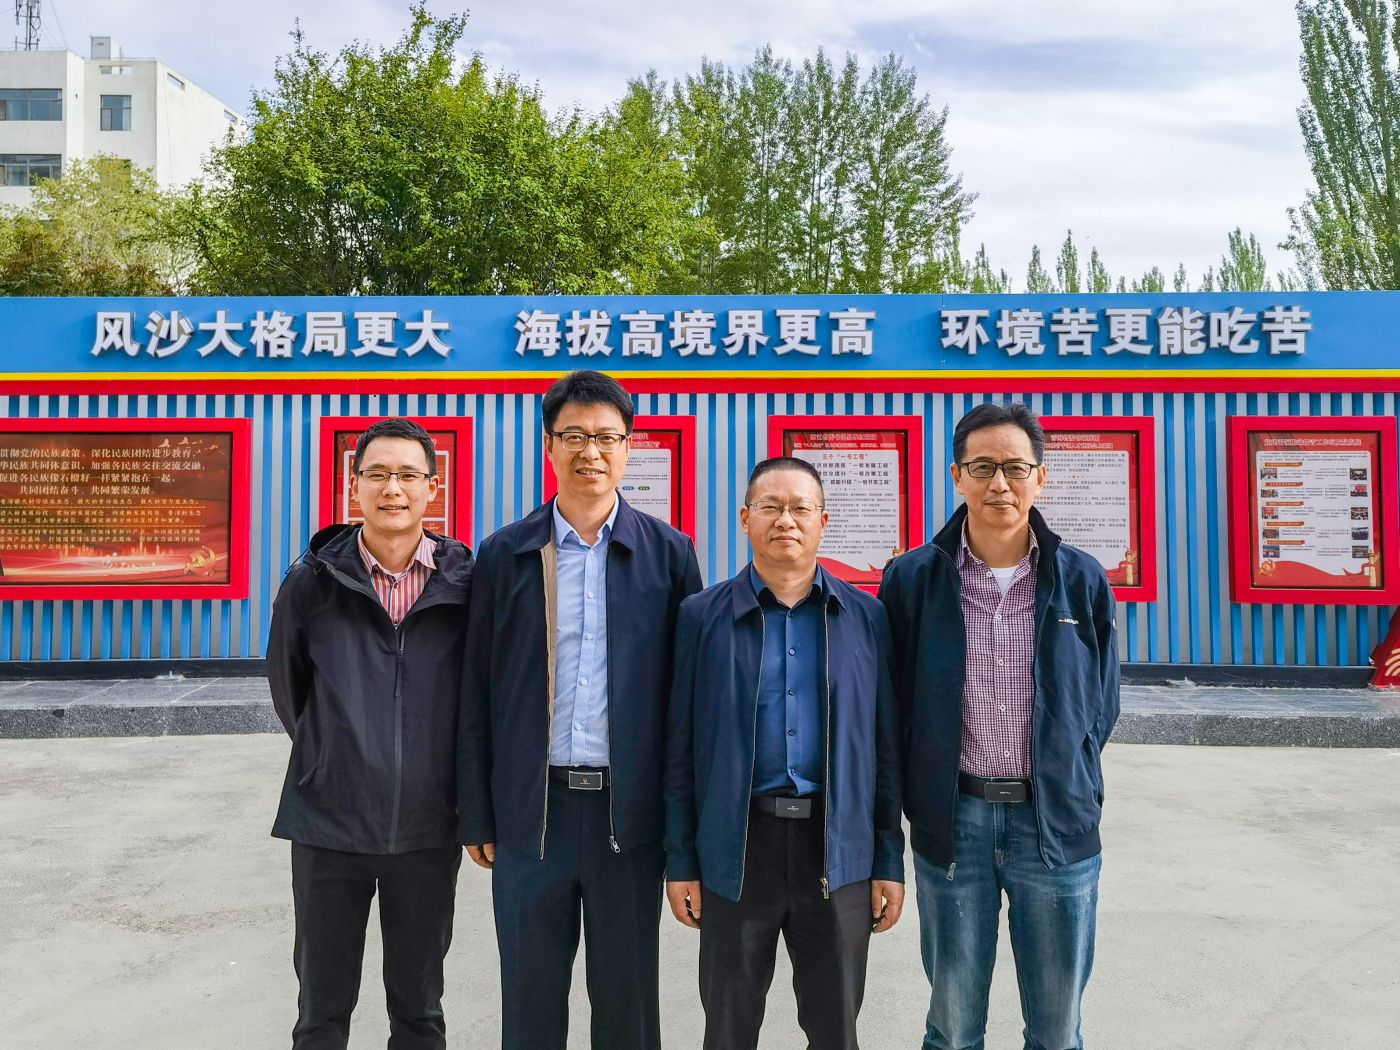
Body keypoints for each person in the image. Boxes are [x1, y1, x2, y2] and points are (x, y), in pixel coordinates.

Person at [457, 369, 703, 1050]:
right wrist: (478, 810)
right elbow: (476, 691)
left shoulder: (669, 555)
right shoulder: (505, 553)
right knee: (530, 1002)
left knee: (628, 1004)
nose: (590, 451)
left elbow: (688, 707)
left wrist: (681, 830)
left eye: (606, 437)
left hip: (630, 818)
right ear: (549, 446)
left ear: (628, 447)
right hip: (531, 813)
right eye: (573, 436)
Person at [879, 402, 1119, 1050]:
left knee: (1057, 1028)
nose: (999, 484)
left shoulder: (1080, 579)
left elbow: (1101, 702)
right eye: (982, 467)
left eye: (1015, 468)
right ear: (957, 475)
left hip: (1055, 824)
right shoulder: (912, 579)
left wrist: (1072, 774)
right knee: (954, 1024)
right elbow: (891, 703)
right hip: (954, 822)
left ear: (1040, 477)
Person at [664, 456, 905, 1050]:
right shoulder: (701, 616)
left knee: (835, 1028)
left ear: (823, 521)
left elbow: (883, 747)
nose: (785, 521)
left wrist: (887, 859)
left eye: (800, 508)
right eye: (770, 507)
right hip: (738, 846)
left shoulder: (865, 616)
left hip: (838, 846)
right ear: (746, 518)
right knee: (728, 1026)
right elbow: (680, 747)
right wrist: (682, 860)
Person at [266, 417, 473, 1050]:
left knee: (419, 1008)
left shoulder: (466, 583)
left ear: (433, 487)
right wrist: (330, 756)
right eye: (377, 474)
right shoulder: (312, 581)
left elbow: (479, 695)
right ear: (353, 484)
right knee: (321, 1010)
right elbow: (290, 689)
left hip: (428, 826)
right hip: (329, 821)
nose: (393, 489)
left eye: (408, 475)